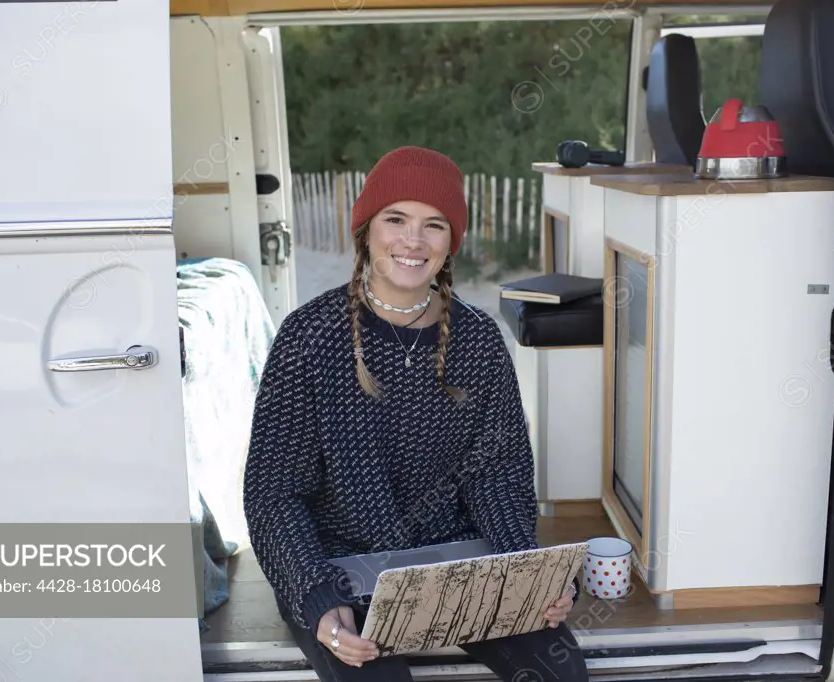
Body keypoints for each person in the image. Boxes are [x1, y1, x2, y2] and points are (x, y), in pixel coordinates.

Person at [243, 146, 586, 682]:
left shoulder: (478, 341)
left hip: (455, 566)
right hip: (340, 571)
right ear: (366, 230)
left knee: (558, 672)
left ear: (451, 243)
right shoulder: (307, 337)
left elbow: (498, 475)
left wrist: (529, 576)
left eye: (434, 225)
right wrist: (314, 596)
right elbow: (273, 493)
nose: (412, 240)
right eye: (395, 219)